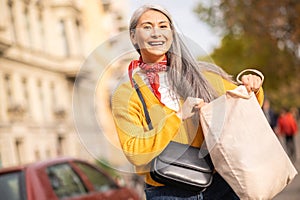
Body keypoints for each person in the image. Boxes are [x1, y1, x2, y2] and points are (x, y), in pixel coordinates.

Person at [111, 4, 264, 200]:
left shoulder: (200, 74)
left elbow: (243, 103)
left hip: (221, 185)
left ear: (172, 34)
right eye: (147, 27)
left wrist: (254, 86)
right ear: (133, 36)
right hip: (168, 190)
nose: (156, 32)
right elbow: (135, 151)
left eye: (163, 26)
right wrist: (179, 117)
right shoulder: (126, 93)